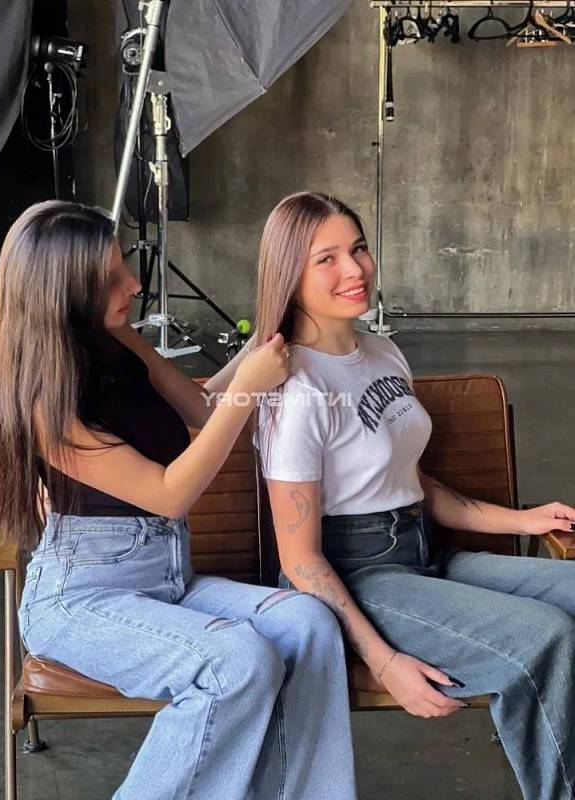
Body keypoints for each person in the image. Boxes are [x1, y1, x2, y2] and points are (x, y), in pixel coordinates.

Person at [0, 200, 358, 800]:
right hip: (82, 598)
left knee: (308, 623)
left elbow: (202, 408)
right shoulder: (40, 401)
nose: (133, 284)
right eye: (111, 278)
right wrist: (250, 390)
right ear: (61, 295)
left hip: (167, 578)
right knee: (236, 662)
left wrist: (266, 338)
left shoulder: (118, 337)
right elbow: (169, 495)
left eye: (123, 266)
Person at [254, 191, 575, 800]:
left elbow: (413, 483)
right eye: (326, 259)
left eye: (358, 249)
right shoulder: (297, 391)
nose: (354, 270)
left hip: (424, 552)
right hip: (358, 576)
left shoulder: (381, 353)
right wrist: (382, 661)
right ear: (288, 274)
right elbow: (299, 561)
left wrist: (523, 520)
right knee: (545, 634)